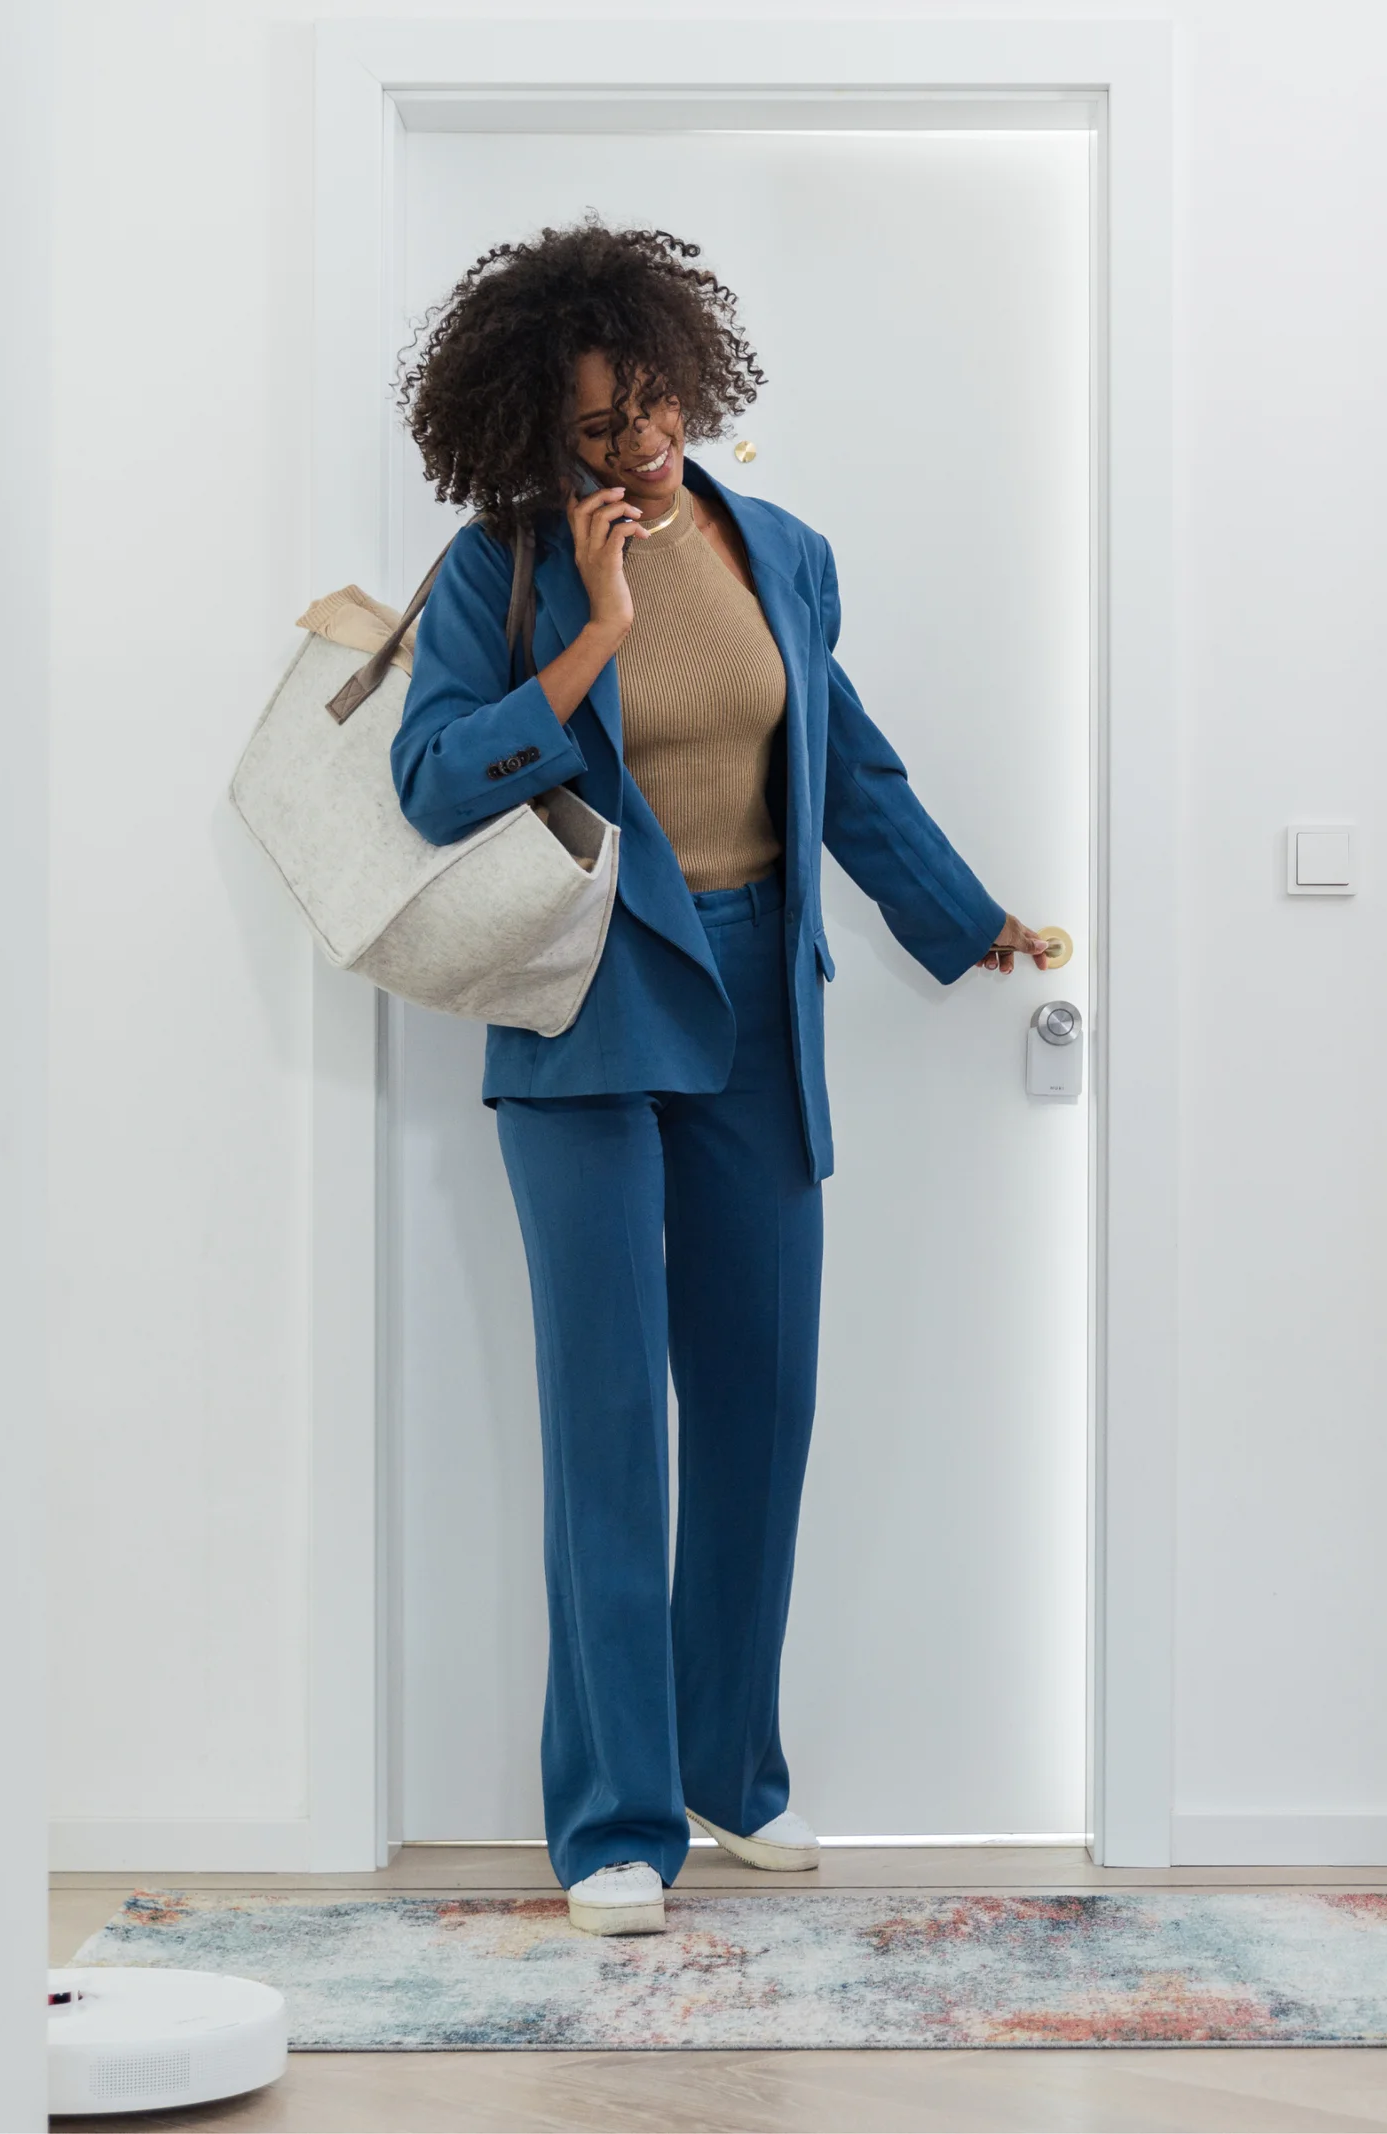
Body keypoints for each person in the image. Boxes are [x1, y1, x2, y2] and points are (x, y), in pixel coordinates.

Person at [389, 217, 1049, 1936]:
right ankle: (613, 1818)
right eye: (599, 427)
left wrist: (964, 917)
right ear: (541, 433)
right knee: (613, 1421)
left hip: (760, 992)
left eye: (657, 404)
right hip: (588, 1005)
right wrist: (594, 630)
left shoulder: (785, 550)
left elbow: (842, 753)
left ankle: (726, 1771)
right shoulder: (501, 571)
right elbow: (436, 779)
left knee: (761, 1405)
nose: (641, 447)